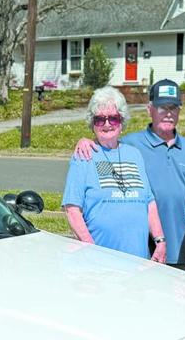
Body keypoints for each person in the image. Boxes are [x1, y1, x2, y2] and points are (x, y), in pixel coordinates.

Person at [74, 79, 185, 266]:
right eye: (161, 107)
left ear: (179, 111)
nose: (168, 113)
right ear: (150, 110)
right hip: (144, 252)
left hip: (179, 250)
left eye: (173, 107)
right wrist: (84, 140)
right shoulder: (132, 145)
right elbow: (107, 137)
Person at [62, 87, 166, 261]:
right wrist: (90, 247)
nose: (107, 124)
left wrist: (160, 240)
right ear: (92, 124)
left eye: (113, 118)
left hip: (138, 261)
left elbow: (149, 203)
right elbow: (72, 209)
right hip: (99, 262)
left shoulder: (134, 155)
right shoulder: (84, 156)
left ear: (122, 122)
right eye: (100, 119)